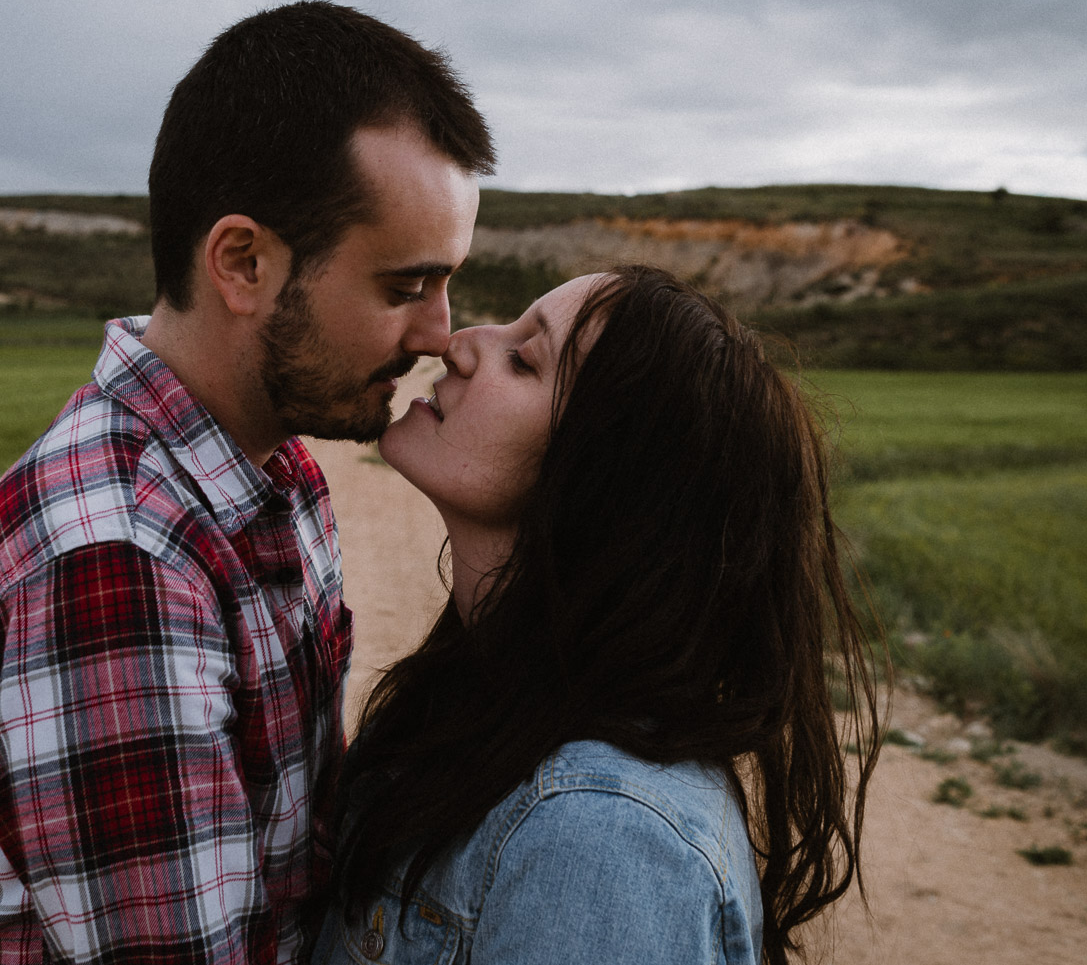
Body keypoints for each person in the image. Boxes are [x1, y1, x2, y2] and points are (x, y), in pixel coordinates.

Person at [0, 0, 494, 965]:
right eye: (405, 287)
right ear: (244, 262)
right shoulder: (115, 568)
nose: (440, 334)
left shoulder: (269, 464)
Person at [310, 266, 882, 965]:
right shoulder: (470, 707)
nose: (458, 344)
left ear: (602, 480)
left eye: (523, 359)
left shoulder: (599, 832)